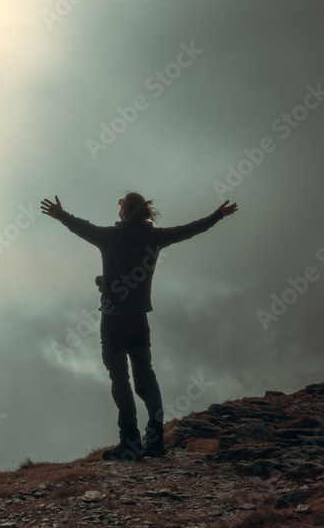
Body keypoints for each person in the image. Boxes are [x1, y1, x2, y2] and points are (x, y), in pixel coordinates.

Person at [40, 192, 238, 462]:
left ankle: (130, 443)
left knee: (120, 381)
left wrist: (59, 214)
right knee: (146, 377)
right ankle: (155, 441)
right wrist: (217, 215)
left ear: (124, 211)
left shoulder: (109, 236)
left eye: (120, 204)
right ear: (144, 212)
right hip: (139, 318)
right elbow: (190, 229)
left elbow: (81, 227)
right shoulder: (154, 237)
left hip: (113, 320)